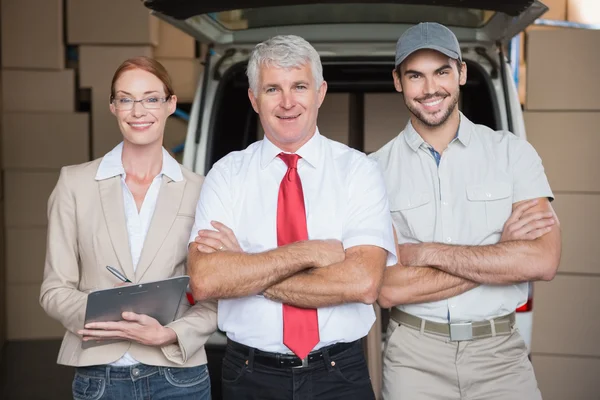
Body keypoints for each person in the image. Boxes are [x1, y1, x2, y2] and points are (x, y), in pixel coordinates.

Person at [186, 35, 397, 400]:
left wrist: (245, 268)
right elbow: (205, 280)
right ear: (254, 99)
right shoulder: (227, 174)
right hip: (250, 375)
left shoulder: (358, 171)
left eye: (299, 86)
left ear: (320, 92)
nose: (287, 102)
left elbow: (362, 283)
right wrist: (309, 253)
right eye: (272, 89)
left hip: (339, 375)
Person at [369, 22, 562, 399]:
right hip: (413, 358)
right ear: (398, 81)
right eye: (415, 76)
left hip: (501, 354)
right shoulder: (374, 171)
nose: (430, 89)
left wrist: (424, 253)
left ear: (461, 72)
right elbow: (388, 289)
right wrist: (499, 253)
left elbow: (542, 261)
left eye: (442, 71)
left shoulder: (512, 153)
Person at [40, 56, 216, 399]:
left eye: (151, 98)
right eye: (126, 99)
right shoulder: (74, 183)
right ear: (113, 107)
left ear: (170, 104)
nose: (138, 111)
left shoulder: (202, 190)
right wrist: (103, 318)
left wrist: (171, 334)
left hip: (180, 377)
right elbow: (53, 290)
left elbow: (217, 297)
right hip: (100, 379)